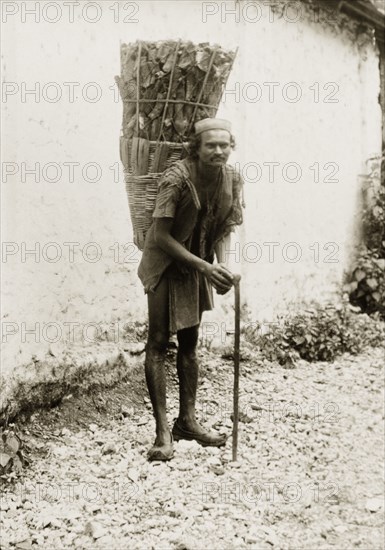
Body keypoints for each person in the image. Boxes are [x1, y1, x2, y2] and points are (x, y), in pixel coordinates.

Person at [138, 117, 244, 461]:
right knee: (157, 343)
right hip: (166, 265)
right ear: (195, 148)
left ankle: (187, 421)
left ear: (232, 147)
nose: (218, 151)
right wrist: (205, 267)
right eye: (210, 145)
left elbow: (227, 224)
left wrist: (223, 265)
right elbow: (160, 236)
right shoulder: (176, 178)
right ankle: (162, 432)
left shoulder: (232, 178)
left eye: (224, 145)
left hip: (200, 265)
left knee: (190, 344)